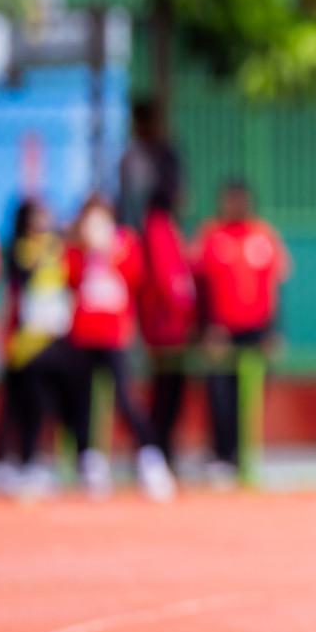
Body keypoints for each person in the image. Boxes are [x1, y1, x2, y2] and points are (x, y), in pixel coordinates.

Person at [65, 194, 176, 501]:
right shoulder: (76, 250)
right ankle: (91, 463)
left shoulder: (124, 242)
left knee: (126, 398)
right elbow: (69, 279)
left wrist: (107, 250)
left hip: (115, 335)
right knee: (83, 400)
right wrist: (83, 248)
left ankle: (150, 459)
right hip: (83, 335)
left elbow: (137, 276)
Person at [193, 180, 290, 483]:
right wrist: (208, 328)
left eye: (239, 200)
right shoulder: (211, 235)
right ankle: (221, 455)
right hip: (222, 331)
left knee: (250, 395)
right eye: (229, 200)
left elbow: (275, 286)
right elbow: (202, 285)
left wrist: (274, 330)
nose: (234, 206)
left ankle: (244, 454)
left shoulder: (264, 235)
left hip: (256, 330)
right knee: (219, 393)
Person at [0, 199, 78, 500]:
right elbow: (19, 284)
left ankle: (43, 460)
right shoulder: (22, 250)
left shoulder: (58, 247)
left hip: (54, 340)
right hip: (26, 343)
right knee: (23, 406)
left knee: (51, 405)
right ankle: (13, 462)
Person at [140, 186, 197, 469]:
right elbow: (168, 280)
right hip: (167, 327)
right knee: (166, 391)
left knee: (169, 389)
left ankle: (162, 447)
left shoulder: (166, 227)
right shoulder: (159, 227)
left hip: (171, 325)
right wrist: (186, 314)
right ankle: (157, 448)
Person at [117, 98, 182, 229]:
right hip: (134, 223)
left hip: (158, 221)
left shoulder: (164, 154)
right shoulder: (130, 154)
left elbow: (176, 193)